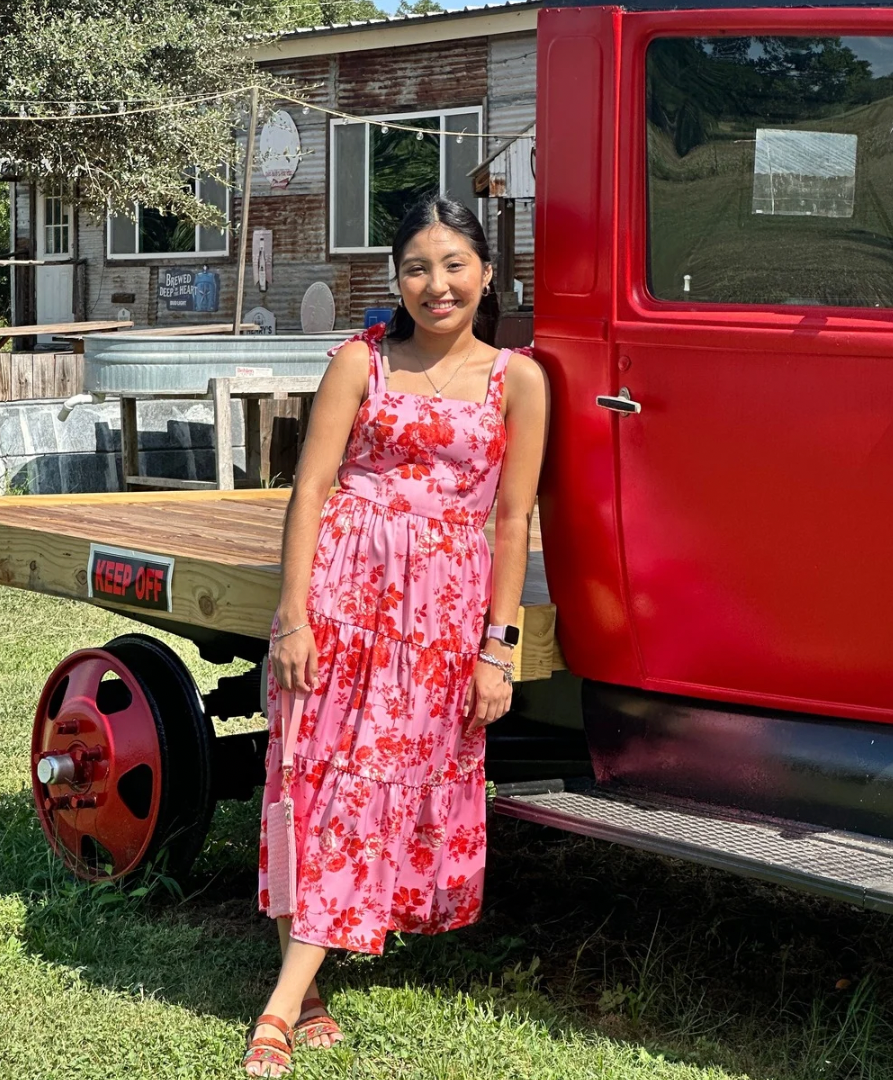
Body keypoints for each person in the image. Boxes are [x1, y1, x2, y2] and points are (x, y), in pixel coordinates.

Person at [243, 194, 550, 1076]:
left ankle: (290, 991)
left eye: (454, 265)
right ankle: (291, 1000)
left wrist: (500, 648)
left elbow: (513, 519)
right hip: (343, 595)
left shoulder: (517, 379)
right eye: (417, 267)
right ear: (397, 279)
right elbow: (311, 489)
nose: (436, 284)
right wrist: (294, 615)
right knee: (310, 779)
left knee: (373, 786)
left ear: (487, 274)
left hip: (439, 620)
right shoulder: (359, 362)